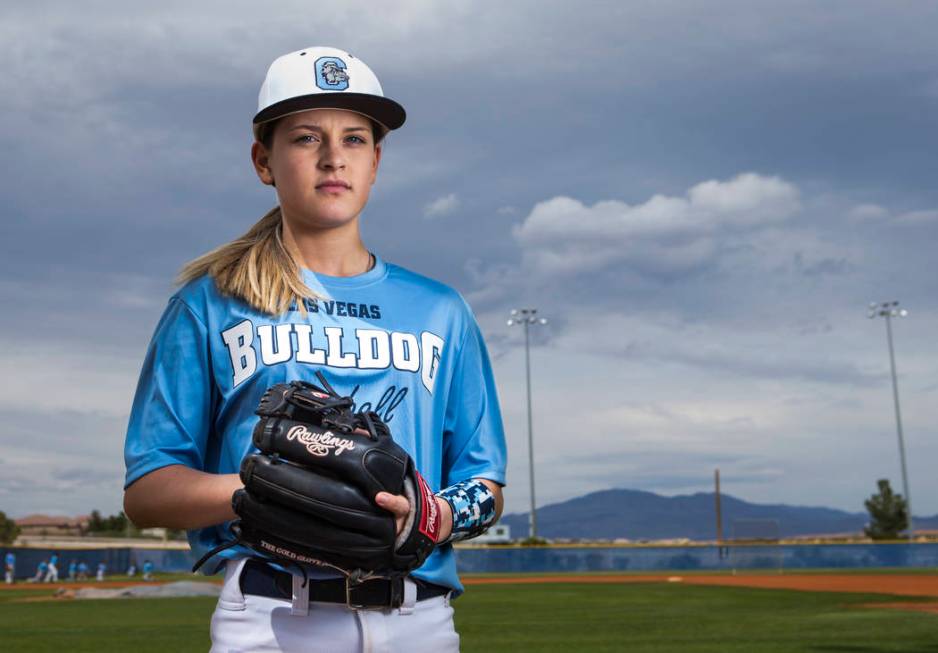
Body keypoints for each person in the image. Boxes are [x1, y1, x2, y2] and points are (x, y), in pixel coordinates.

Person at [122, 46, 507, 652]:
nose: (334, 157)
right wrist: (265, 486)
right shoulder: (210, 303)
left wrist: (431, 515)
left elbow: (485, 481)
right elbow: (147, 492)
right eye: (306, 137)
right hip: (273, 619)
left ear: (376, 161)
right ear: (263, 160)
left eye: (354, 139)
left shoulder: (441, 310)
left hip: (418, 621)